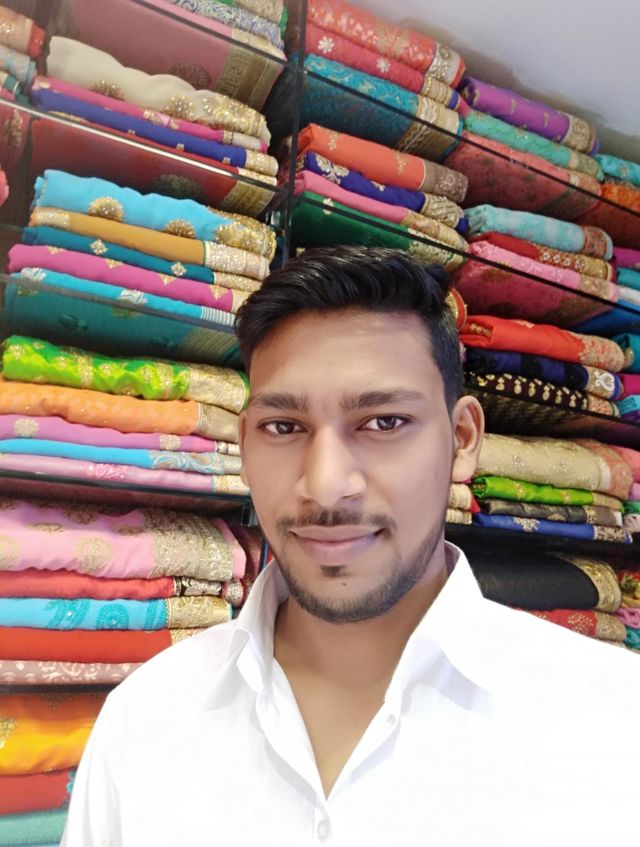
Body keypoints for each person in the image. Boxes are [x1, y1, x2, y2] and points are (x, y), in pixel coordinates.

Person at [62, 246, 639, 846]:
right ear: (245, 446)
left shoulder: (614, 724)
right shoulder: (144, 719)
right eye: (284, 427)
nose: (326, 484)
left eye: (384, 422)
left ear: (463, 439)